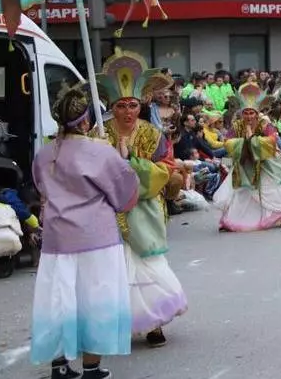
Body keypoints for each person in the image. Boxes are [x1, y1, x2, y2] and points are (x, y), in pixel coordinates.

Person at [31, 83, 139, 379]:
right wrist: (118, 158)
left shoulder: (43, 154)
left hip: (57, 237)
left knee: (59, 300)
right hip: (97, 239)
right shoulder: (100, 152)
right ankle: (92, 367)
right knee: (96, 300)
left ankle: (60, 365)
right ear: (87, 121)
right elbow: (125, 192)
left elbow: (42, 189)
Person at [95, 51, 187, 349]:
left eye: (133, 105)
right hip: (109, 212)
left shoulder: (153, 134)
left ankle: (155, 323)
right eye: (121, 105)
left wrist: (132, 162)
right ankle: (119, 321)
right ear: (112, 107)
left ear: (141, 104)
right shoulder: (100, 134)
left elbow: (166, 170)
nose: (127, 111)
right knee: (114, 269)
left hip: (144, 211)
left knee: (148, 265)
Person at [213, 83, 281, 231]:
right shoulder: (236, 126)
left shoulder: (264, 124)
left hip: (265, 162)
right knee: (240, 192)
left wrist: (254, 141)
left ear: (256, 113)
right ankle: (230, 220)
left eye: (251, 113)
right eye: (246, 113)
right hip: (244, 162)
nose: (248, 116)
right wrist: (244, 143)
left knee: (271, 190)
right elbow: (227, 142)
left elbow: (272, 139)